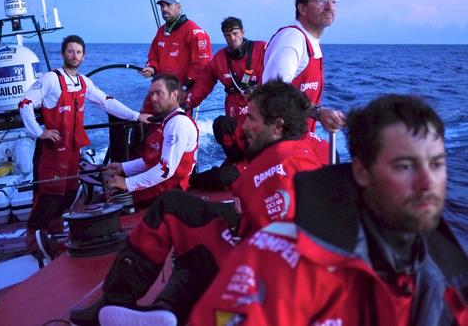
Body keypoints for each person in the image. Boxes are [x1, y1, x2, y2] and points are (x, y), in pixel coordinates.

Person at [189, 94, 468, 326]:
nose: (427, 182)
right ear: (361, 171)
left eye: (436, 164)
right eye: (404, 166)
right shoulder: (273, 260)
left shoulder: (451, 279)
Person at [68, 80, 329, 326]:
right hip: (260, 254)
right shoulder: (299, 152)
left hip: (263, 282)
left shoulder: (280, 168)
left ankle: (121, 303)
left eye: (251, 118)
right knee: (189, 221)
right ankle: (165, 310)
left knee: (175, 214)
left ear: (277, 126)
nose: (243, 127)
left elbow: (288, 246)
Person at [18, 35, 150, 253]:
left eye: (78, 52)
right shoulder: (51, 79)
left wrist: (136, 116)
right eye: (70, 51)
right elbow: (24, 104)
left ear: (84, 56)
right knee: (50, 195)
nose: (75, 56)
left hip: (72, 150)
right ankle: (33, 238)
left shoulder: (83, 82)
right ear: (62, 54)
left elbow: (107, 102)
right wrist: (39, 133)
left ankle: (53, 235)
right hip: (52, 150)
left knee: (70, 193)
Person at [262, 0, 346, 132]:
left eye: (333, 1)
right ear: (302, 9)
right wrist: (319, 113)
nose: (329, 7)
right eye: (321, 0)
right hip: (281, 140)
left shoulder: (310, 42)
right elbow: (272, 92)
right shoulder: (292, 38)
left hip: (299, 137)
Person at [104, 72, 199, 207]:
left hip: (169, 191)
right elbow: (154, 160)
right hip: (161, 185)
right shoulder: (169, 121)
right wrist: (123, 168)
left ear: (174, 95)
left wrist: (126, 183)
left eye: (159, 93)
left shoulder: (178, 124)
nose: (153, 98)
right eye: (151, 94)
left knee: (112, 200)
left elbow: (165, 170)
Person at [185, 16, 266, 164]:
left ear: (242, 32)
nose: (232, 38)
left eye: (235, 33)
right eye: (227, 35)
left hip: (259, 110)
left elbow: (278, 76)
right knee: (221, 126)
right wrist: (187, 103)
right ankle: (237, 164)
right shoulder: (219, 59)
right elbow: (203, 84)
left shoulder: (262, 49)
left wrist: (259, 89)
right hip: (234, 111)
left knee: (258, 148)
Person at [139, 0, 212, 112]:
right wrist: (152, 68)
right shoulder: (161, 31)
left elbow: (201, 66)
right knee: (141, 122)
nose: (164, 9)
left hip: (180, 92)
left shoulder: (194, 32)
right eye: (162, 6)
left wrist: (184, 88)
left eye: (168, 5)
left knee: (174, 128)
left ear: (178, 7)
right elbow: (153, 57)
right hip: (160, 89)